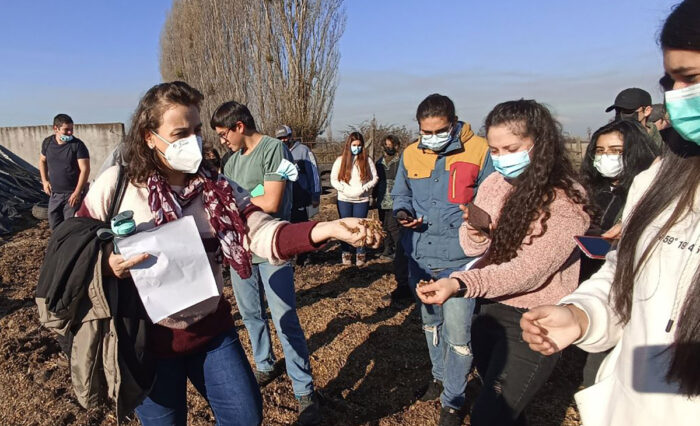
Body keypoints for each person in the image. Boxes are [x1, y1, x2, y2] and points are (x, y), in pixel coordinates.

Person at [72, 81, 381, 426]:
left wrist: (326, 229)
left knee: (245, 417)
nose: (193, 141)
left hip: (211, 332)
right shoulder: (116, 186)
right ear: (148, 137)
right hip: (147, 342)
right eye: (179, 133)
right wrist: (106, 264)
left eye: (197, 130)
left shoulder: (217, 188)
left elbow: (260, 230)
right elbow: (77, 248)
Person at [521, 2, 700, 424]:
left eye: (690, 79)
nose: (676, 99)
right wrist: (582, 314)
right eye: (670, 82)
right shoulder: (660, 179)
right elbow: (629, 277)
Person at [416, 99, 590, 425]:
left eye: (510, 148)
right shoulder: (494, 184)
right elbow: (472, 248)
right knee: (507, 412)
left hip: (533, 320)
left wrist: (459, 283)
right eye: (494, 151)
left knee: (488, 414)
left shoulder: (565, 201)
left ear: (540, 144)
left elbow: (526, 272)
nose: (500, 159)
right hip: (489, 311)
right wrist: (477, 226)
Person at [212, 101, 322, 425]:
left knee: (284, 317)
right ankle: (265, 363)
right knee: (250, 313)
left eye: (223, 133)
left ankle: (304, 390)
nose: (222, 140)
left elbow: (272, 202)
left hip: (273, 247)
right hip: (241, 250)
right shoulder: (231, 163)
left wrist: (234, 205)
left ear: (239, 126)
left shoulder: (274, 150)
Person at [391, 93, 494, 425]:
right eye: (425, 131)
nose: (431, 137)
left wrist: (477, 216)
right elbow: (400, 193)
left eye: (439, 130)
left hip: (461, 259)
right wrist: (403, 212)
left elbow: (494, 199)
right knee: (431, 323)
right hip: (420, 256)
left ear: (453, 123)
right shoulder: (410, 154)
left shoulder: (480, 151)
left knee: (458, 333)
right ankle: (439, 377)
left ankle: (453, 399)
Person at [275, 124, 322, 265]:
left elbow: (313, 173)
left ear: (291, 136)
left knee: (301, 224)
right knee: (287, 226)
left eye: (285, 137)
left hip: (300, 195)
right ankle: (291, 253)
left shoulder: (303, 151)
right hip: (284, 197)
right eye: (280, 138)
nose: (283, 140)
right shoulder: (277, 152)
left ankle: (306, 254)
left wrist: (315, 194)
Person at [330, 131, 378, 266]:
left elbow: (375, 178)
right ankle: (346, 252)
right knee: (345, 227)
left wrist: (364, 189)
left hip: (361, 200)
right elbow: (333, 179)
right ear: (349, 145)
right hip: (344, 199)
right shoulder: (340, 161)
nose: (356, 147)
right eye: (354, 145)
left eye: (359, 145)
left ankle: (360, 252)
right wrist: (343, 189)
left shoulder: (367, 161)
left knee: (360, 226)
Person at [374, 135, 410, 302]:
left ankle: (398, 248)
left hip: (396, 197)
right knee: (384, 225)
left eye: (391, 145)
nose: (388, 147)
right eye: (386, 145)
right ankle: (387, 248)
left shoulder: (401, 161)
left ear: (396, 146)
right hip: (383, 197)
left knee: (393, 225)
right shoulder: (379, 162)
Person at [38, 113, 90, 229]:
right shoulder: (47, 143)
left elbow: (85, 169)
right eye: (66, 130)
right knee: (54, 226)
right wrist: (45, 181)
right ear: (55, 129)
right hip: (54, 194)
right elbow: (42, 161)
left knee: (70, 228)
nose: (70, 133)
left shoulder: (77, 145)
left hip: (72, 195)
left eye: (71, 129)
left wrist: (77, 192)